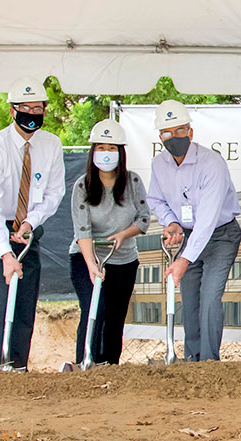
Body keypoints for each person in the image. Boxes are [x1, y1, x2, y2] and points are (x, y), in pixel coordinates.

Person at [0, 77, 66, 371]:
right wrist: (5, 252)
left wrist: (29, 223)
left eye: (38, 108)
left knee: (24, 302)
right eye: (26, 108)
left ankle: (18, 368)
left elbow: (53, 193)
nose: (33, 113)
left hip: (27, 225)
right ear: (13, 111)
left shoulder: (51, 145)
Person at [147, 99, 241, 362]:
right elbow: (155, 200)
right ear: (160, 136)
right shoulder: (159, 165)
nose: (174, 137)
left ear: (190, 132)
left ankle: (209, 363)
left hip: (221, 236)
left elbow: (208, 219)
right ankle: (191, 360)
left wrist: (184, 260)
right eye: (168, 132)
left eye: (180, 130)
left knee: (210, 298)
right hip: (188, 237)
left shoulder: (212, 164)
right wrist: (172, 222)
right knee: (190, 301)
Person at [68, 119, 149, 365]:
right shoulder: (82, 186)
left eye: (111, 148)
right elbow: (82, 230)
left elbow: (143, 219)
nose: (106, 153)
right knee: (96, 308)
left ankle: (110, 366)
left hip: (123, 260)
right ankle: (86, 362)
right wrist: (92, 264)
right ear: (93, 151)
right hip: (86, 259)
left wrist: (124, 235)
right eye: (101, 148)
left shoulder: (132, 182)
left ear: (121, 152)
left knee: (115, 316)